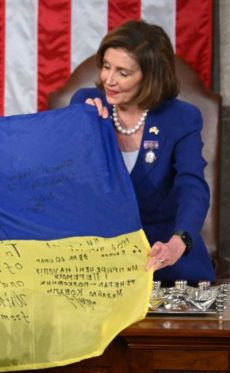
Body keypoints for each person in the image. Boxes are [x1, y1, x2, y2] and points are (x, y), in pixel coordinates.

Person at [69, 20, 215, 283]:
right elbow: (67, 176)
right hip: (100, 263)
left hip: (163, 258)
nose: (109, 80)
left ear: (150, 76)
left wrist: (178, 242)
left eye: (123, 73)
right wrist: (82, 124)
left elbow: (192, 186)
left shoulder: (180, 118)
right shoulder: (86, 104)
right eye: (106, 66)